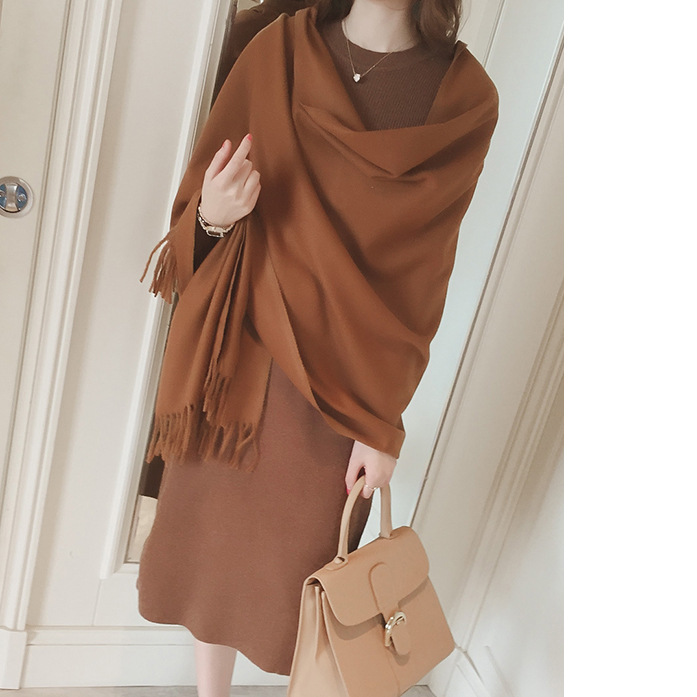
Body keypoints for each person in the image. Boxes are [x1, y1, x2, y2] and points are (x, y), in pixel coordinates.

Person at [136, 0, 498, 695]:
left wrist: (381, 425)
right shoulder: (274, 51)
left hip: (343, 388)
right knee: (208, 550)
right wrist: (214, 213)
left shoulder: (465, 101)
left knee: (295, 582)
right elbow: (197, 214)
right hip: (241, 357)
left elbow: (422, 280)